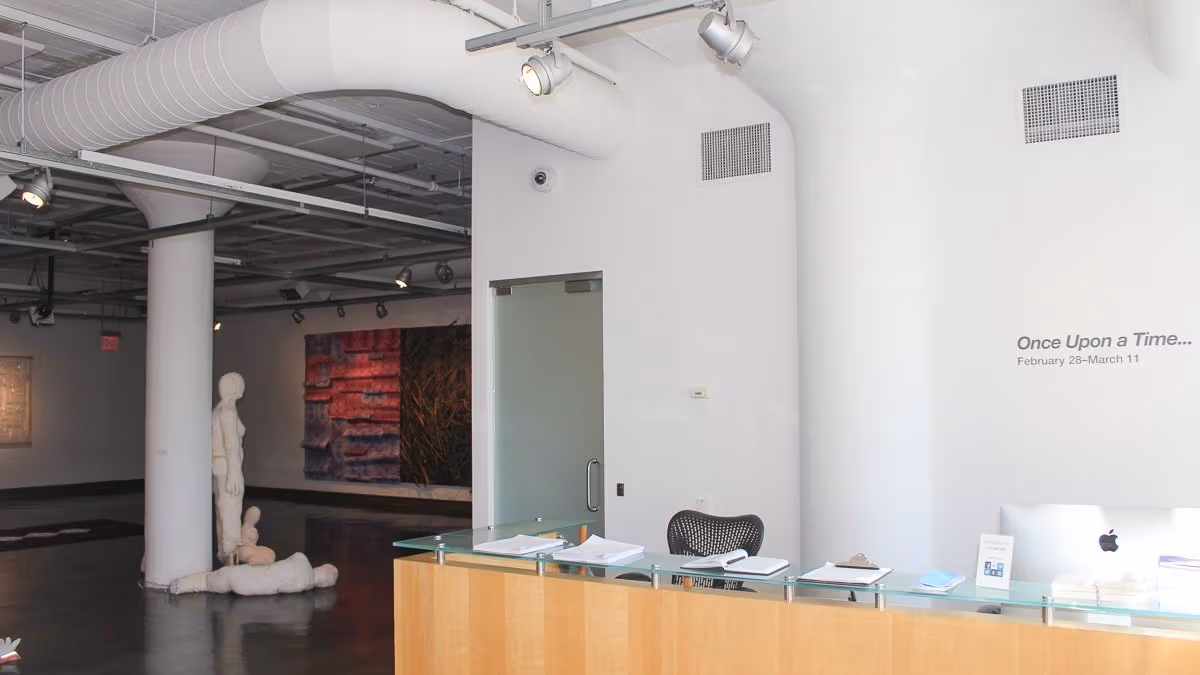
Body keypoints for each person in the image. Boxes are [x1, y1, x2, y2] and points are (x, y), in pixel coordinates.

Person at [169, 552, 338, 596]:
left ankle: (182, 584)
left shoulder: (302, 558)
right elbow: (283, 588)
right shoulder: (304, 583)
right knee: (216, 582)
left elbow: (284, 560)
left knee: (215, 579)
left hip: (255, 572)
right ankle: (181, 585)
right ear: (323, 584)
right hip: (253, 585)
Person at [213, 372, 247, 566]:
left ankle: (223, 553)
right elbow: (231, 443)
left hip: (219, 467)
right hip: (228, 468)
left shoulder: (217, 410)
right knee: (231, 512)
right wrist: (235, 473)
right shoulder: (228, 410)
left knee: (222, 511)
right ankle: (231, 557)